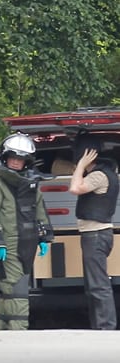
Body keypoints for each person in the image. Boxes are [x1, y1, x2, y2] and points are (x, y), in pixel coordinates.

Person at [0, 133, 54, 330]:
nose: (16, 162)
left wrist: (44, 236)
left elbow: (39, 210)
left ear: (27, 161)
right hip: (7, 247)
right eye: (13, 158)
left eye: (20, 159)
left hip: (27, 245)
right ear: (4, 157)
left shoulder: (29, 184)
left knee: (8, 295)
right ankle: (20, 336)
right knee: (17, 294)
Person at [69, 135, 119, 330]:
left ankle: (106, 327)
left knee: (98, 285)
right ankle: (99, 326)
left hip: (96, 235)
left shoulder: (99, 175)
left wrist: (81, 165)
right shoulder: (105, 172)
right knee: (94, 285)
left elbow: (74, 188)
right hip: (96, 235)